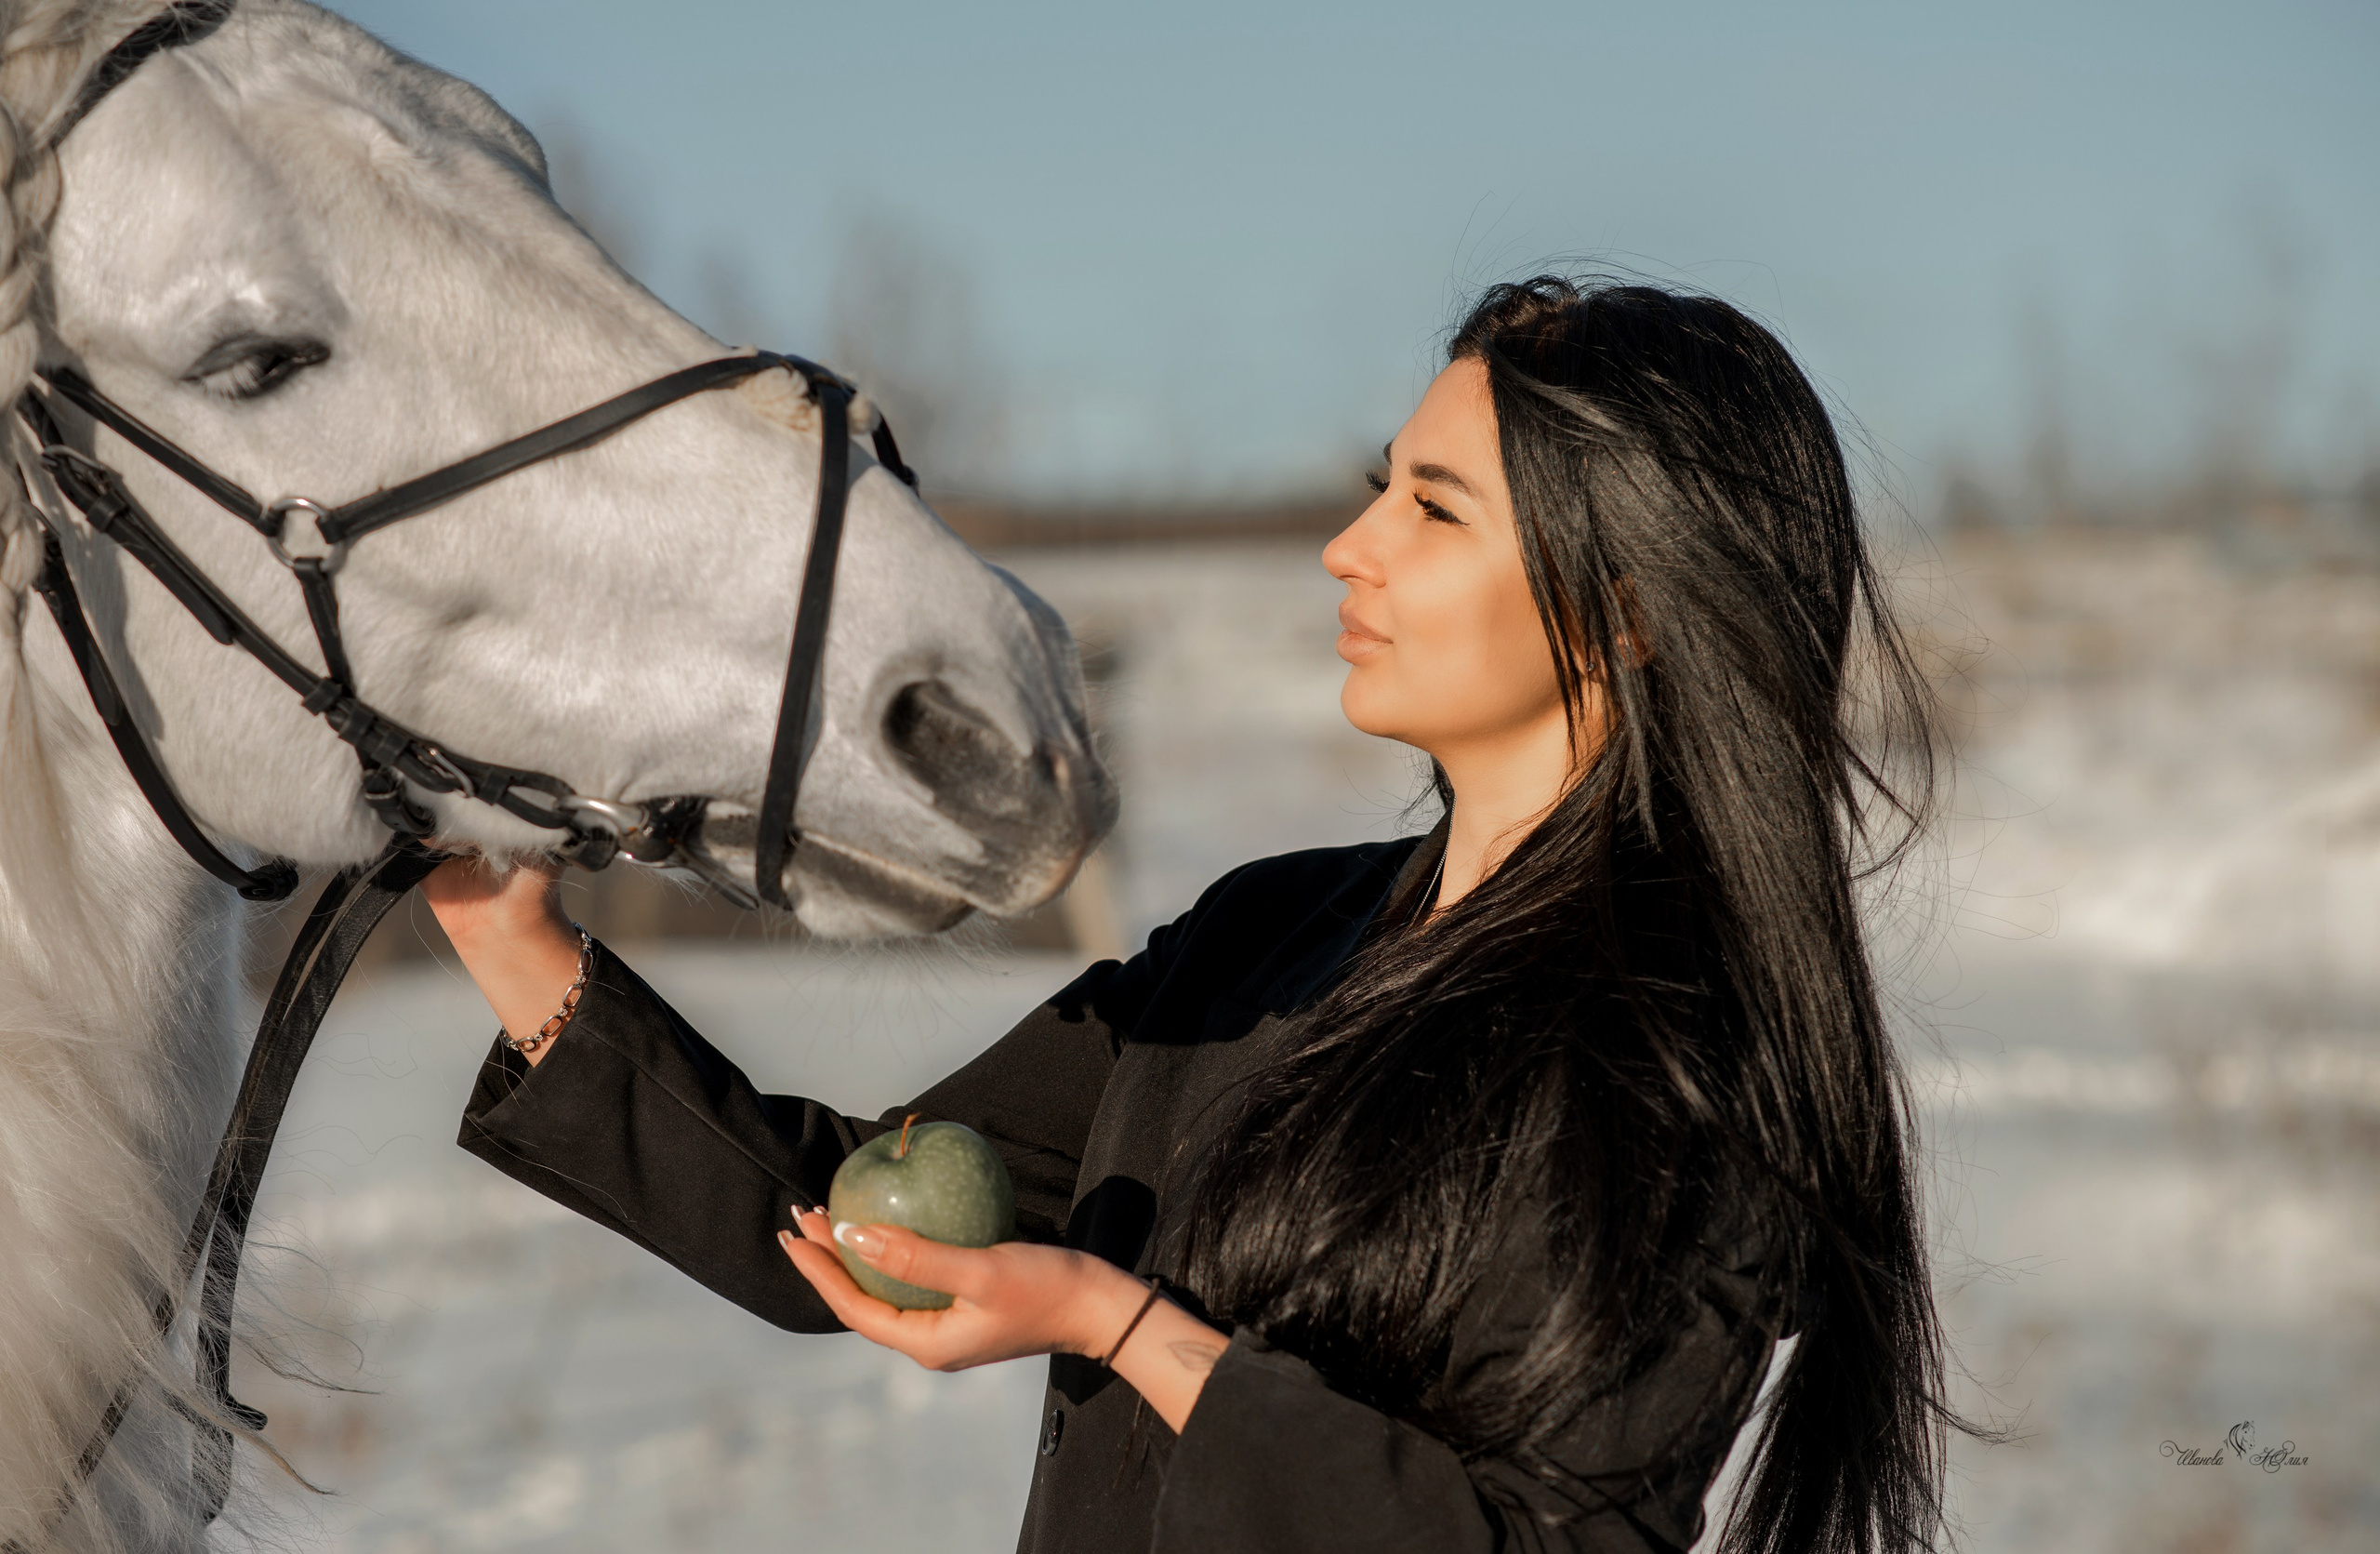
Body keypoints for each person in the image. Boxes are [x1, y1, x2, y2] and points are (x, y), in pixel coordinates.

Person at [425, 275, 1955, 1554]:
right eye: (1378, 491)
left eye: (1434, 510)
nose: (1349, 549)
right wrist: (514, 939)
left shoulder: (1687, 1069)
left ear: (1625, 604)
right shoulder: (1255, 947)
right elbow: (857, 1227)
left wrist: (1124, 1328)